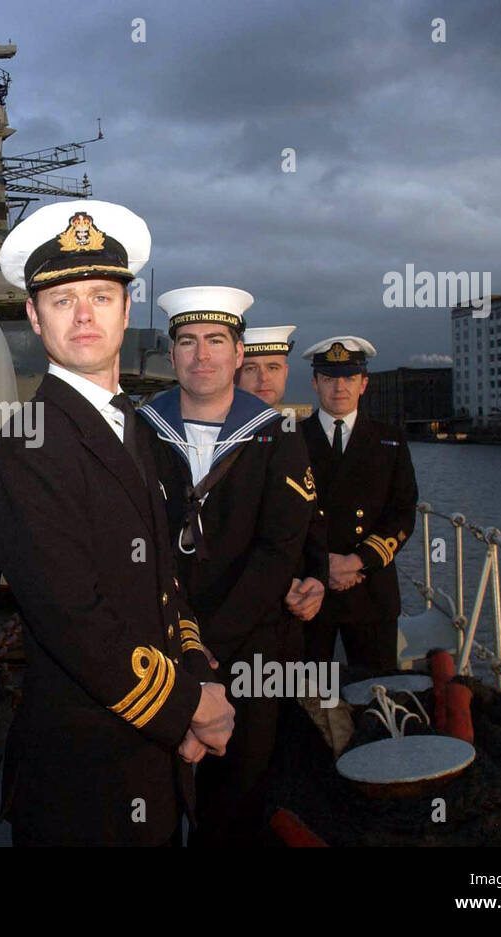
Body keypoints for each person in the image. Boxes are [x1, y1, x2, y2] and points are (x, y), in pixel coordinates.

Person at [0, 200, 235, 846]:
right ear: (35, 317)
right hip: (85, 775)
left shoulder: (132, 428)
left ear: (128, 311)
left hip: (150, 754)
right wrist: (189, 707)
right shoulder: (29, 445)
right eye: (63, 300)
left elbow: (163, 584)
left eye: (101, 295)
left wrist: (197, 668)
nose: (85, 314)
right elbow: (75, 619)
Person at [139, 288, 316, 846]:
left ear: (238, 353)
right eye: (187, 342)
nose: (202, 355)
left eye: (216, 340)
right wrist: (183, 642)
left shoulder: (277, 434)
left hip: (248, 644)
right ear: (172, 356)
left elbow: (277, 550)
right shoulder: (141, 429)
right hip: (159, 642)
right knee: (154, 790)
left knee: (236, 796)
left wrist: (208, 643)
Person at [299, 336, 418, 674]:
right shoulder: (292, 439)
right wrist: (324, 567)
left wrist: (358, 561)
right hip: (310, 589)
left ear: (364, 384)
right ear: (315, 383)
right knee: (307, 694)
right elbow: (284, 517)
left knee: (376, 690)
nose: (340, 388)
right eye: (329, 378)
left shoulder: (389, 441)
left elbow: (403, 511)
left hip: (370, 587)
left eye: (349, 378)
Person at [237, 324, 328, 652]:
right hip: (237, 611)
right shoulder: (221, 439)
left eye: (273, 368)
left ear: (286, 372)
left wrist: (317, 577)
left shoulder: (294, 435)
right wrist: (279, 585)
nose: (264, 379)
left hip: (291, 613)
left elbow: (311, 517)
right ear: (235, 369)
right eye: (251, 369)